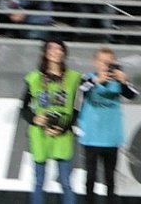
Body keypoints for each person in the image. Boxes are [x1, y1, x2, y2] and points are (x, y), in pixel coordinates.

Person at [20, 39, 81, 204]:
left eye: (59, 48)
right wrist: (34, 118)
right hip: (40, 133)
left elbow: (77, 109)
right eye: (51, 48)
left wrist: (64, 127)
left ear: (64, 53)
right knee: (39, 181)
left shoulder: (75, 78)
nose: (55, 51)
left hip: (63, 132)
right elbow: (23, 107)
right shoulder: (34, 78)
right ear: (45, 53)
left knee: (66, 182)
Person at [78, 48, 138, 204]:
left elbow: (133, 95)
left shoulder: (118, 81)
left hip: (111, 137)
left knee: (110, 178)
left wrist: (124, 81)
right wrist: (97, 80)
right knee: (90, 177)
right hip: (91, 136)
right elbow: (81, 89)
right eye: (103, 62)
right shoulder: (88, 78)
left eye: (109, 62)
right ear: (95, 62)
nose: (106, 65)